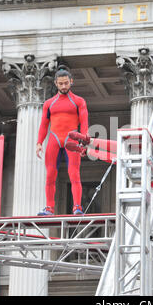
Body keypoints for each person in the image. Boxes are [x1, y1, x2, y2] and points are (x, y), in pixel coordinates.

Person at [36, 67, 89, 216]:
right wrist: (39, 142)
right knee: (50, 174)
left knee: (74, 173)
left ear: (71, 82)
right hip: (54, 138)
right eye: (60, 84)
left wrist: (84, 139)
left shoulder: (78, 101)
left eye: (66, 83)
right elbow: (44, 124)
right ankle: (49, 208)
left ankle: (77, 207)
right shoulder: (49, 103)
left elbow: (84, 122)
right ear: (56, 84)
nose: (64, 86)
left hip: (71, 139)